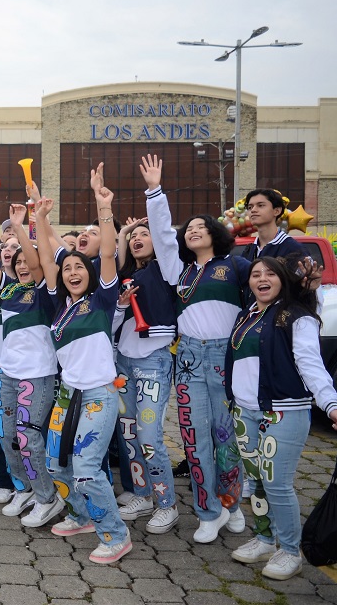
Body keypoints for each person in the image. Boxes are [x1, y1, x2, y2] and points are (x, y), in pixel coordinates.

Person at [142, 153, 248, 544]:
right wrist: (155, 190)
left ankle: (231, 504)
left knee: (225, 436)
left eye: (203, 227)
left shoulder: (236, 267)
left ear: (217, 234)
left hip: (224, 357)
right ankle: (206, 512)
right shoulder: (179, 271)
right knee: (192, 436)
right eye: (190, 228)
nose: (194, 231)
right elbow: (163, 238)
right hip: (187, 357)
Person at [37, 164, 132, 565]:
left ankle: (116, 534)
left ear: (90, 276)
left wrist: (103, 206)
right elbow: (46, 258)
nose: (73, 270)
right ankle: (80, 515)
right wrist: (39, 220)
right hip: (66, 393)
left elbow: (107, 252)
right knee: (55, 464)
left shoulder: (102, 301)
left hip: (98, 394)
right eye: (67, 268)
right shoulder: (60, 308)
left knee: (87, 469)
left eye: (80, 267)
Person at [225, 256, 337, 580]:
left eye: (270, 273)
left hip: (283, 411)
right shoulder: (246, 316)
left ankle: (290, 550)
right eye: (256, 274)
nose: (261, 278)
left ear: (283, 279)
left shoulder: (296, 317)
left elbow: (311, 365)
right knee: (256, 480)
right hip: (244, 412)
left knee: (276, 483)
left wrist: (331, 404)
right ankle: (264, 538)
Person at [0, 199, 63, 527]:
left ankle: (47, 497)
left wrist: (22, 225)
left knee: (28, 438)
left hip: (37, 377)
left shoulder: (45, 290)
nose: (23, 265)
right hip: (9, 375)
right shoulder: (6, 287)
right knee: (9, 437)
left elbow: (39, 265)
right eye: (18, 261)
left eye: (28, 260)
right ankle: (26, 488)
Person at [112, 216, 180, 533]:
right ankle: (143, 495)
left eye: (144, 234)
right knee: (128, 434)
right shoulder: (126, 275)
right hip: (123, 362)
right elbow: (113, 259)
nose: (138, 238)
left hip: (154, 359)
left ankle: (167, 504)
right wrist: (123, 232)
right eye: (134, 236)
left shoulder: (165, 270)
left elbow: (167, 242)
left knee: (149, 437)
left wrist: (154, 202)